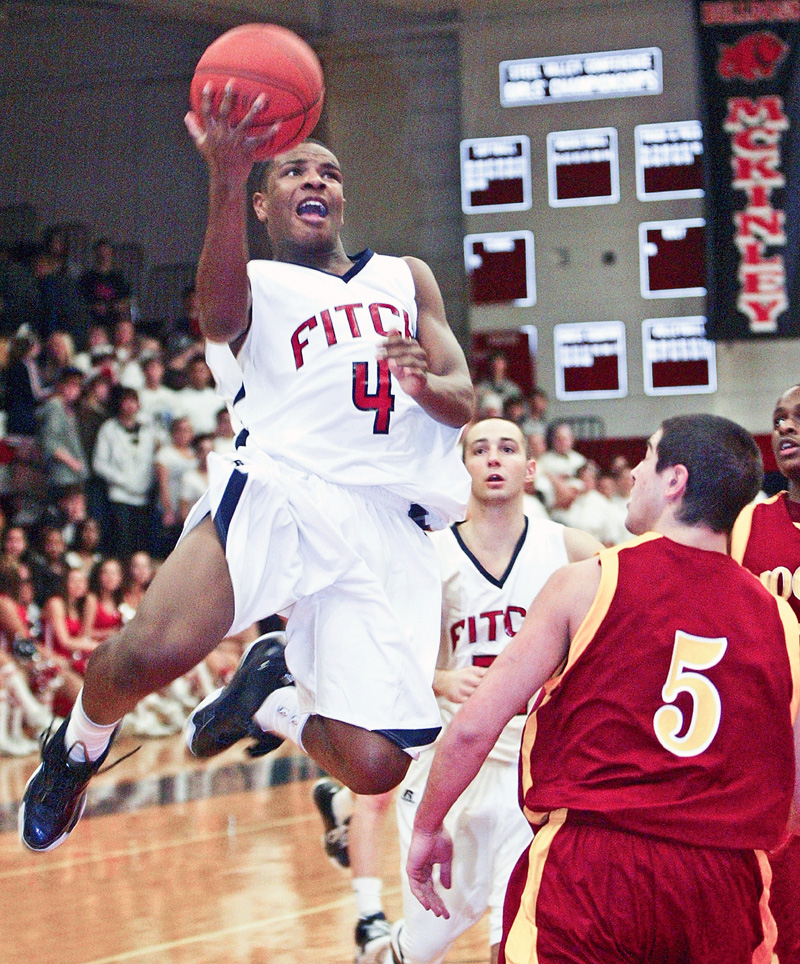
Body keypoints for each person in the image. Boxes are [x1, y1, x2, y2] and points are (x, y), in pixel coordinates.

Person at [19, 91, 473, 853]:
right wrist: (224, 180)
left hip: (387, 518)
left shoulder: (406, 277)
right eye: (294, 172)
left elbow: (463, 398)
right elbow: (219, 319)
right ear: (264, 205)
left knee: (376, 762)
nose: (316, 182)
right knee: (150, 652)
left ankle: (272, 698)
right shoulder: (253, 281)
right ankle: (77, 748)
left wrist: (429, 385)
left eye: (327, 172)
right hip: (281, 486)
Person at [406, 414, 800, 964]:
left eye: (647, 456)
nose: (635, 472)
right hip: (723, 880)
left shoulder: (586, 579)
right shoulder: (781, 619)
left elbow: (473, 726)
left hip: (595, 867)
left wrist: (427, 826)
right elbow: (792, 795)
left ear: (674, 481)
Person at [730, 383, 800, 964]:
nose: (786, 428)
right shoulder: (749, 524)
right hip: (775, 733)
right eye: (779, 418)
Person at [91, 386, 158, 561]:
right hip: (119, 496)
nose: (130, 405)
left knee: (141, 546)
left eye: (134, 401)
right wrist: (122, 480)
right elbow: (99, 463)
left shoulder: (147, 429)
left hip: (143, 496)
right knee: (122, 545)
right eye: (126, 401)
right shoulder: (109, 429)